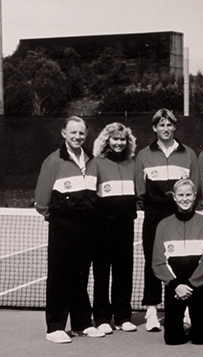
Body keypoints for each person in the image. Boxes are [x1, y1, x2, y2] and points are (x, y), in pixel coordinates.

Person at [34, 117, 104, 342]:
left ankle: (82, 323)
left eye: (81, 133)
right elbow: (42, 201)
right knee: (59, 276)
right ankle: (55, 327)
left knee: (81, 275)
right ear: (63, 133)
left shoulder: (92, 161)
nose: (77, 137)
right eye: (73, 132)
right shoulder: (52, 161)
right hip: (61, 227)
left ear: (86, 134)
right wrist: (58, 220)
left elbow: (97, 194)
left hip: (87, 227)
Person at [134, 108, 198, 332]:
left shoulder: (188, 154)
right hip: (153, 217)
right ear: (154, 128)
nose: (166, 129)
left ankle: (188, 309)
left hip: (181, 217)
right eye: (161, 125)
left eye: (169, 124)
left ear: (175, 127)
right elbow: (139, 190)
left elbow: (194, 187)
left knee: (184, 260)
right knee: (154, 261)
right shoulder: (143, 155)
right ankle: (151, 311)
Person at [152, 179, 203, 345]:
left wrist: (192, 285)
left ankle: (197, 326)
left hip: (199, 287)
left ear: (194, 196)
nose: (185, 199)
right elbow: (158, 261)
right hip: (175, 287)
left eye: (188, 195)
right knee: (173, 339)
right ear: (174, 197)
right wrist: (176, 285)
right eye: (181, 195)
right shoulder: (164, 225)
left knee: (201, 338)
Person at [90, 122, 138, 334]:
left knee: (124, 272)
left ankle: (122, 316)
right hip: (101, 228)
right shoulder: (96, 163)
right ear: (106, 140)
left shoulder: (132, 164)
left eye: (123, 139)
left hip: (125, 226)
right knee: (101, 273)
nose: (119, 143)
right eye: (115, 139)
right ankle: (101, 317)